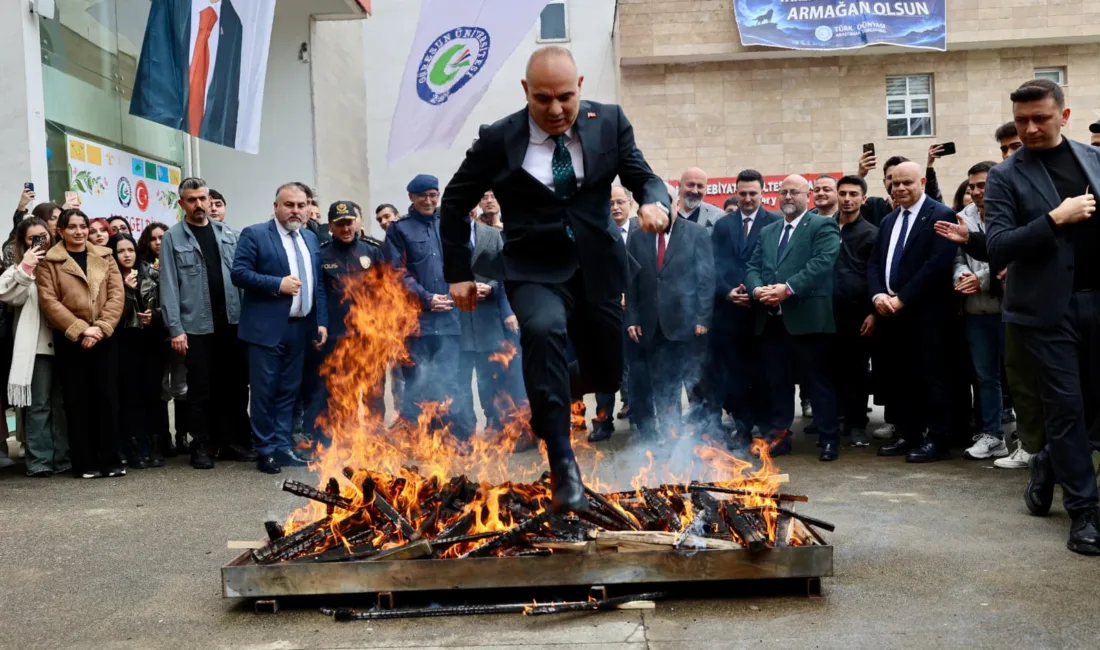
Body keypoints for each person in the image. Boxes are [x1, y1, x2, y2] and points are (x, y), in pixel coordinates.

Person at [439, 46, 670, 511]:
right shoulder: (497, 139)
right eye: (543, 99)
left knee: (606, 370)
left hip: (598, 265)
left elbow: (645, 177)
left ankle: (544, 387)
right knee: (543, 331)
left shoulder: (610, 121)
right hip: (533, 267)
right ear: (526, 91)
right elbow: (453, 201)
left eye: (565, 96)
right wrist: (458, 274)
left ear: (579, 86)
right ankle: (563, 462)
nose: (556, 109)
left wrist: (653, 201)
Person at [984, 78, 1100, 555]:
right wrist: (1055, 218)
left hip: (1097, 301)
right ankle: (1084, 515)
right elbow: (997, 246)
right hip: (1046, 313)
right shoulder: (1005, 176)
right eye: (1021, 120)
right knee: (1067, 410)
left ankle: (1048, 460)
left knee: (1092, 413)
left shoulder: (1092, 159)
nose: (1029, 128)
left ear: (1064, 116)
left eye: (1040, 118)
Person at [231, 182, 328, 474]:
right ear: (276, 206)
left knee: (289, 391)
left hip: (300, 328)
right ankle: (265, 450)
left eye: (301, 205)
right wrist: (277, 284)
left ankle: (284, 447)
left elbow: (318, 284)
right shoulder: (255, 234)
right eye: (289, 205)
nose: (296, 211)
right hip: (265, 329)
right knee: (265, 392)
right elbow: (239, 273)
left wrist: (320, 320)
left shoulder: (310, 238)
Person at [744, 175, 841, 461]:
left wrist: (787, 289)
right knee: (778, 382)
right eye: (783, 192)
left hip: (809, 320)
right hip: (773, 322)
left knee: (818, 383)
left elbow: (822, 263)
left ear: (807, 196)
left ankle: (828, 439)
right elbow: (752, 265)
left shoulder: (822, 225)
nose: (787, 197)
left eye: (794, 192)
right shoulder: (769, 230)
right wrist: (756, 288)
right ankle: (780, 436)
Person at [868, 161, 958, 463]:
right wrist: (879, 293)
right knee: (900, 378)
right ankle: (909, 435)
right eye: (895, 183)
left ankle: (938, 440)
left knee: (932, 378)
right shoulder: (889, 220)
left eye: (907, 182)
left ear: (921, 181)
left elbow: (937, 265)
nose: (900, 188)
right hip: (891, 314)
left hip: (927, 314)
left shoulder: (940, 215)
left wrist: (902, 298)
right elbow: (875, 263)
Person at [160, 178, 251, 469]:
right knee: (200, 388)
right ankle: (201, 444)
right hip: (196, 326)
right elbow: (169, 287)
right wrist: (175, 329)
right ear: (182, 203)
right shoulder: (172, 238)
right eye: (192, 200)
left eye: (202, 198)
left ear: (210, 199)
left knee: (235, 386)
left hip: (232, 322)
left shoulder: (228, 234)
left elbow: (241, 279)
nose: (199, 205)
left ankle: (231, 442)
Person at [36, 209, 125, 479]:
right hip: (70, 340)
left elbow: (116, 295)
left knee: (107, 400)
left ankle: (111, 460)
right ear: (60, 231)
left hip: (104, 337)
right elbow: (49, 302)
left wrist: (99, 328)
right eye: (72, 227)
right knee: (77, 402)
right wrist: (81, 329)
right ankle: (85, 463)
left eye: (83, 226)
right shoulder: (48, 261)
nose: (79, 232)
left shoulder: (105, 255)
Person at [626, 193, 714, 441]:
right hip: (652, 327)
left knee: (696, 383)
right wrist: (632, 317)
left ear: (676, 204)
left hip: (687, 325)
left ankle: (702, 437)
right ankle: (671, 435)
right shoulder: (637, 236)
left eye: (666, 205)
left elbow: (706, 280)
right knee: (664, 387)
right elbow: (631, 282)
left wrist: (702, 318)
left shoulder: (696, 234)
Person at [385, 174, 467, 438]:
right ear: (411, 197)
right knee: (417, 382)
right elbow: (397, 273)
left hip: (449, 321)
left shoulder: (448, 225)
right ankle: (416, 437)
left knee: (448, 381)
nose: (429, 200)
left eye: (433, 195)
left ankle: (445, 437)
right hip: (416, 323)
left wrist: (455, 293)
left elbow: (462, 263)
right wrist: (426, 297)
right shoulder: (399, 229)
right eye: (423, 195)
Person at [707, 169, 781, 445]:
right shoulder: (723, 225)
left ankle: (767, 425)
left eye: (753, 193)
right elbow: (712, 264)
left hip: (764, 314)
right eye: (743, 193)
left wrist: (757, 290)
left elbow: (777, 263)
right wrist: (727, 292)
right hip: (730, 315)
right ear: (736, 194)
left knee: (764, 372)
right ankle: (743, 425)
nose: (748, 198)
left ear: (763, 193)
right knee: (735, 374)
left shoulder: (774, 222)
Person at [305, 200, 386, 440]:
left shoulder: (373, 250)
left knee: (374, 392)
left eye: (349, 222)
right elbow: (318, 293)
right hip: (338, 336)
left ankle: (375, 438)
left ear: (358, 222)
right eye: (339, 224)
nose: (345, 228)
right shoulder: (321, 253)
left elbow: (386, 291)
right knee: (342, 391)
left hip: (371, 336)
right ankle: (346, 439)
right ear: (330, 226)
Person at [0, 218, 69, 476]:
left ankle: (63, 458)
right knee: (39, 405)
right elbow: (6, 294)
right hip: (37, 347)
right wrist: (27, 265)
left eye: (44, 235)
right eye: (33, 238)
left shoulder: (63, 262)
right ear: (23, 242)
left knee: (62, 404)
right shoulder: (19, 268)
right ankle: (40, 461)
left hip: (66, 342)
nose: (41, 241)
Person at [951, 161, 1008, 460]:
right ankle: (993, 435)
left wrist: (982, 279)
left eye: (982, 185)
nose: (975, 191)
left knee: (1019, 376)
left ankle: (1028, 439)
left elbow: (1012, 257)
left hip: (1010, 308)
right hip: (975, 309)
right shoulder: (963, 217)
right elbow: (957, 257)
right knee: (986, 376)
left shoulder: (1011, 211)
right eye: (972, 185)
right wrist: (961, 277)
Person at [129, 0, 243, 148]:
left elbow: (229, 103)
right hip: (149, 141)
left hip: (193, 150)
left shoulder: (233, 24)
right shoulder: (168, 5)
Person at [456, 211, 519, 436]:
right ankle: (466, 427)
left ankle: (496, 421)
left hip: (488, 318)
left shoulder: (492, 235)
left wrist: (490, 286)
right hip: (459, 320)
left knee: (490, 376)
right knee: (461, 378)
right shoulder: (445, 235)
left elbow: (503, 270)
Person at [107, 233, 165, 468]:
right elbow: (111, 314)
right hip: (123, 342)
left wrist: (156, 315)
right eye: (121, 251)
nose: (126, 255)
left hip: (150, 341)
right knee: (131, 397)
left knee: (153, 395)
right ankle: (134, 450)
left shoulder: (152, 273)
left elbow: (167, 303)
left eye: (130, 249)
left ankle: (154, 448)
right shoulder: (109, 277)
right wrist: (126, 290)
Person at [831, 175, 878, 447]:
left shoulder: (871, 233)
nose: (847, 199)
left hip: (858, 315)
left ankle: (858, 425)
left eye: (853, 194)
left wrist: (873, 312)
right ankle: (837, 423)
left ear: (863, 199)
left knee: (857, 373)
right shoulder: (824, 229)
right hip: (827, 313)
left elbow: (877, 275)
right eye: (843, 193)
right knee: (832, 371)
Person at [592, 184, 638, 437]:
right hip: (605, 312)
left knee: (636, 365)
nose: (615, 207)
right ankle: (603, 420)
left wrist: (630, 299)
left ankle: (637, 415)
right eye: (610, 203)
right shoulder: (596, 235)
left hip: (636, 314)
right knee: (605, 366)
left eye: (620, 201)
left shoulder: (643, 232)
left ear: (631, 203)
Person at [856, 154, 911, 226]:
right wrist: (860, 176)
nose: (895, 181)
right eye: (890, 177)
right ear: (884, 182)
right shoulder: (874, 206)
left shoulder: (921, 210)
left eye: (901, 176)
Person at [677, 167, 722, 234]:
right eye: (690, 185)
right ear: (680, 185)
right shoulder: (667, 213)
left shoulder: (717, 217)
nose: (695, 191)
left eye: (700, 186)